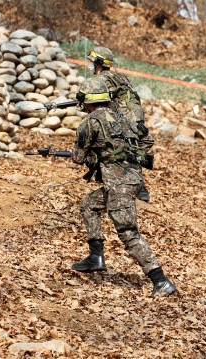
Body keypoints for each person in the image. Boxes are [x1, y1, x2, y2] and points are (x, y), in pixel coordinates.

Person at [70, 77, 176, 297]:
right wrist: (124, 156)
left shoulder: (90, 122)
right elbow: (147, 140)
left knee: (128, 233)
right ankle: (95, 257)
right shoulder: (123, 117)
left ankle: (161, 281)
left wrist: (99, 158)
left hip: (118, 186)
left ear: (87, 101)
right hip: (133, 181)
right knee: (89, 205)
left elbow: (78, 158)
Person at [87, 46, 152, 202]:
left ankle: (125, 184)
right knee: (132, 150)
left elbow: (98, 100)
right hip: (135, 115)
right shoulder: (119, 76)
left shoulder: (101, 79)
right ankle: (138, 187)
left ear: (99, 63)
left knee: (110, 146)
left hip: (122, 117)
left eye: (92, 62)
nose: (90, 65)